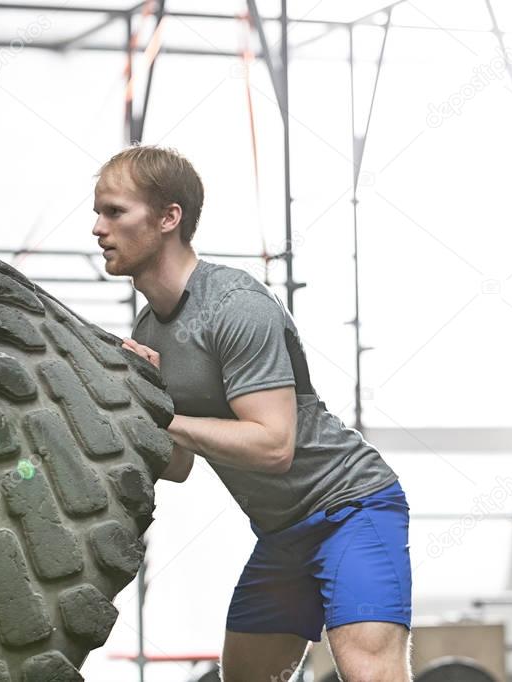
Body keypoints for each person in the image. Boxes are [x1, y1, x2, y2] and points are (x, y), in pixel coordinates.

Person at [92, 144, 413, 682]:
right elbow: (177, 465)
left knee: (367, 671)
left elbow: (272, 445)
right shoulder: (149, 333)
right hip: (281, 531)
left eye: (115, 211)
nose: (98, 228)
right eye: (98, 212)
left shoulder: (234, 305)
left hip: (352, 506)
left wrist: (159, 415)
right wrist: (131, 393)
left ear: (169, 217)